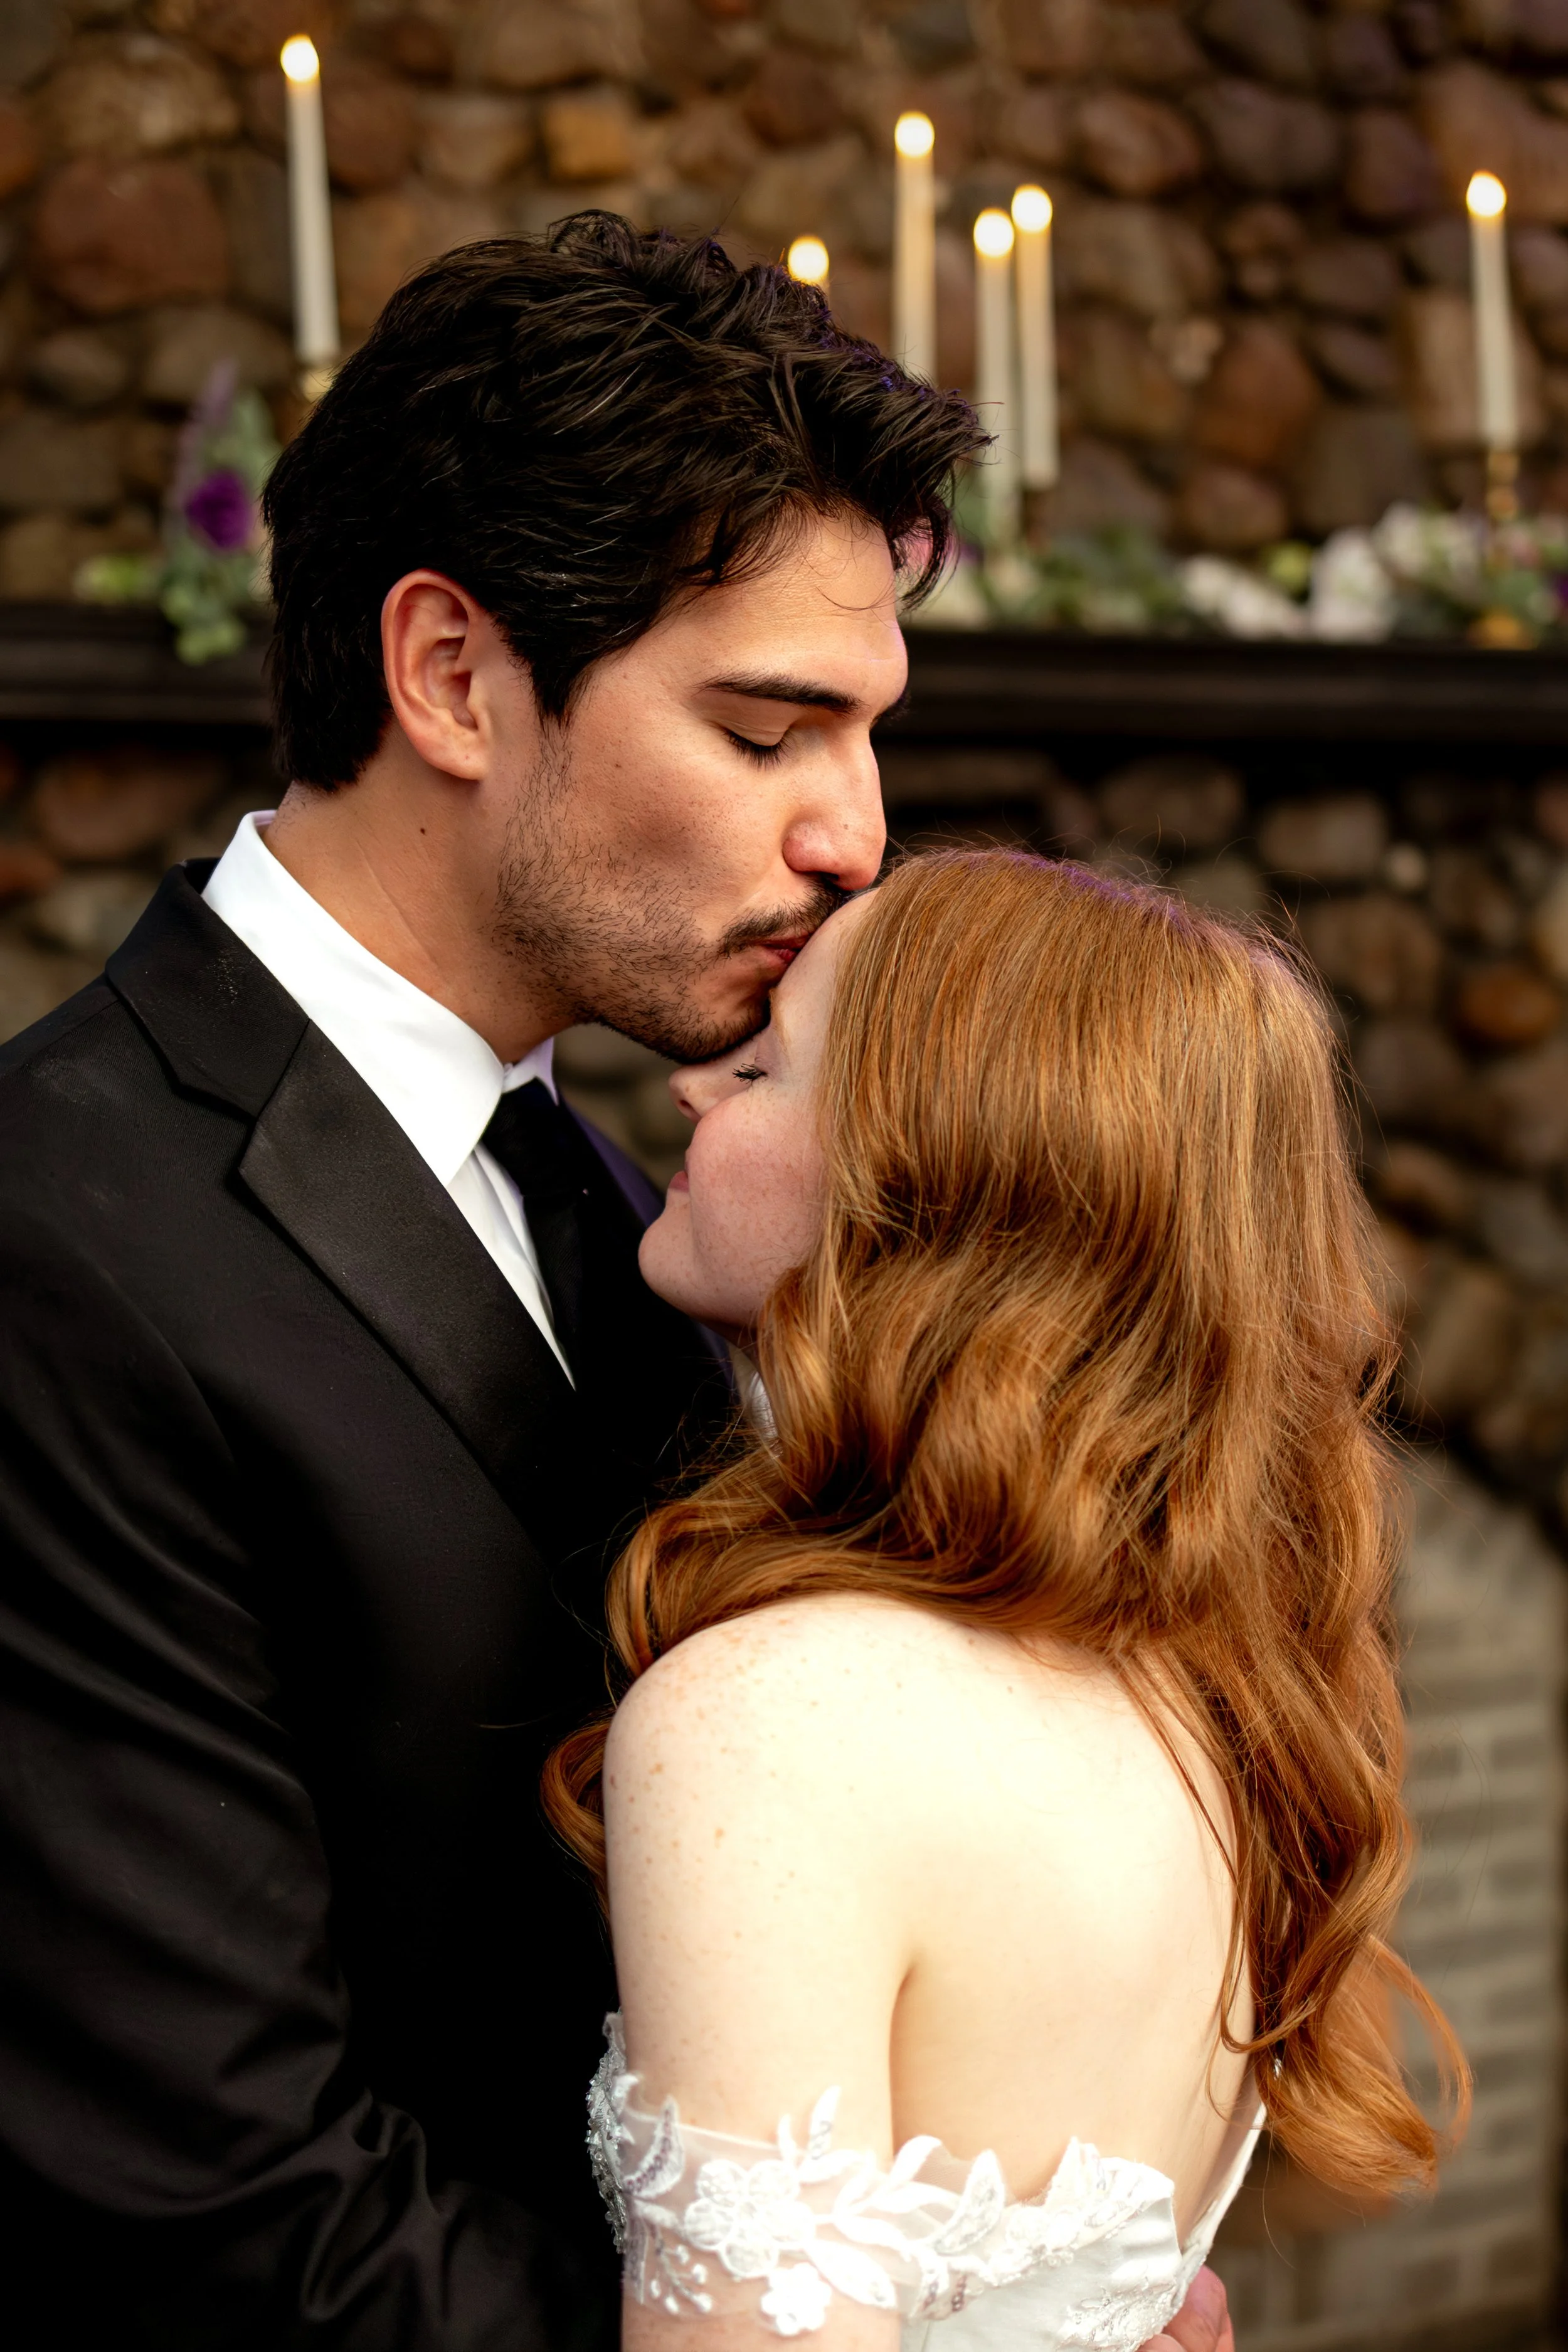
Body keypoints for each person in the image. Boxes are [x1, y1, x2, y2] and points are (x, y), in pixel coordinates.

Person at [0, 218, 979, 2348]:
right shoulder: (53, 1232)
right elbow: (211, 2192)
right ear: (452, 673)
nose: (854, 837)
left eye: (869, 736)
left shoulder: (634, 1196)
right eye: (766, 729)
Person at [544, 850, 1468, 2352]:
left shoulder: (772, 1721)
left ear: (932, 1183)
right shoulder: (1225, 1694)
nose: (694, 1094)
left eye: (768, 1066)